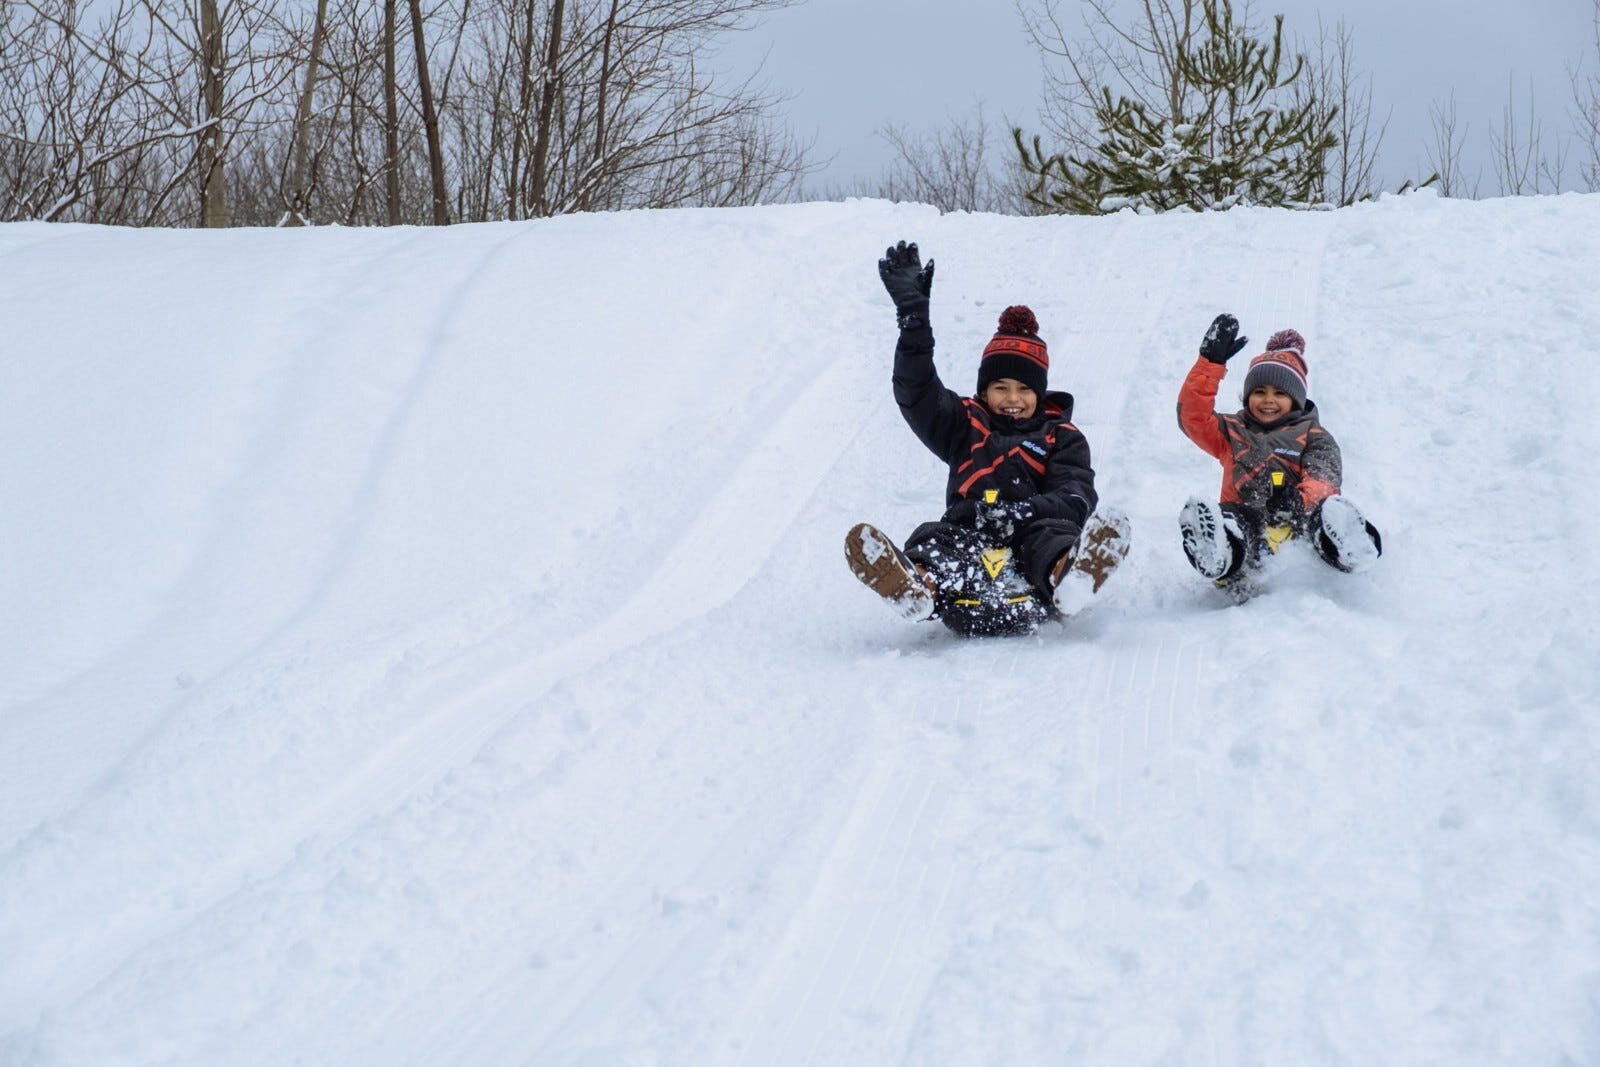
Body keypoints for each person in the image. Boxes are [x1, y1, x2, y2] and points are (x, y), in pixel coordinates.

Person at [845, 239, 1126, 634]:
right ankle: (917, 584)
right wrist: (913, 322)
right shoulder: (963, 423)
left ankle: (1071, 574)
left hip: (1034, 537)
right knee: (936, 537)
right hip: (971, 535)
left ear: (1040, 392)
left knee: (1053, 535)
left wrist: (1023, 512)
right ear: (983, 390)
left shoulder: (1060, 435)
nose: (1013, 398)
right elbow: (916, 391)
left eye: (1025, 389)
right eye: (1001, 387)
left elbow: (1075, 496)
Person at [1176, 313, 1382, 585]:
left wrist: (1302, 500)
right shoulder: (1232, 432)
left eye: (1280, 393)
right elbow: (1193, 418)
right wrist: (1209, 365)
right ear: (1247, 396)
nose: (1268, 400)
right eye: (1259, 392)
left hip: (1299, 524)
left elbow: (1324, 478)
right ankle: (1218, 552)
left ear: (1296, 399)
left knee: (1327, 514)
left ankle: (1349, 547)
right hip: (1247, 521)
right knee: (1232, 521)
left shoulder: (1314, 436)